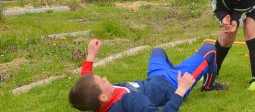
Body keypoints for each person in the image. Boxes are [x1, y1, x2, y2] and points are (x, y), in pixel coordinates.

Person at [69, 38, 222, 112]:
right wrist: (181, 90)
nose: (105, 78)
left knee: (158, 52)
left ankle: (181, 69)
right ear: (103, 97)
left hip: (154, 77)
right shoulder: (130, 102)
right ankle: (208, 86)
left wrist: (91, 55)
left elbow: (86, 81)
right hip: (172, 84)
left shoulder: (97, 102)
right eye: (103, 81)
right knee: (209, 49)